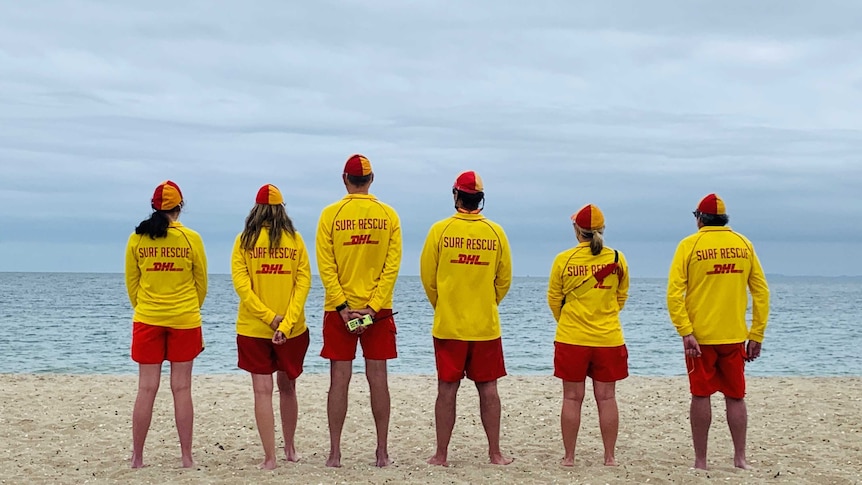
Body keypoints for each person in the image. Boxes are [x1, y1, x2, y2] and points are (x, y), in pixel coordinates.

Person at [666, 193, 770, 470]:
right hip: (735, 335)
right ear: (724, 220)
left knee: (701, 394)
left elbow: (674, 293)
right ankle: (740, 458)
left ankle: (701, 461)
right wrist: (756, 333)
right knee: (736, 395)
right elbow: (760, 291)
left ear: (700, 219)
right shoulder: (742, 244)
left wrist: (685, 330)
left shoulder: (689, 245)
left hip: (699, 336)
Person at [420, 170, 514, 466]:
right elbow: (504, 280)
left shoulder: (440, 230)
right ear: (481, 200)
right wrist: (488, 302)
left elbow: (428, 278)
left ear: (456, 195)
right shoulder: (496, 232)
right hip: (485, 324)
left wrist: (444, 304)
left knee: (447, 388)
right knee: (488, 388)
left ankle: (441, 454)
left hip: (449, 324)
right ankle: (495, 453)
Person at [315, 154, 402, 467]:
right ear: (372, 179)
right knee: (378, 378)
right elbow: (391, 267)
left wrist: (342, 307)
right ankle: (382, 451)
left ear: (344, 179)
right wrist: (373, 308)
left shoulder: (330, 215)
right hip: (378, 310)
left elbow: (327, 266)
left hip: (340, 310)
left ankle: (335, 452)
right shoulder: (388, 215)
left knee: (339, 380)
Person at [124, 180, 207, 469]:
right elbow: (202, 284)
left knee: (146, 388)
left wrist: (147, 307)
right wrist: (186, 308)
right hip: (184, 318)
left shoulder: (138, 239)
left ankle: (137, 457)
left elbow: (132, 284)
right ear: (179, 207)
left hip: (147, 318)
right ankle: (186, 457)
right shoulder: (191, 238)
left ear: (153, 207)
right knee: (181, 388)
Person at [231, 184, 312, 470]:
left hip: (254, 327)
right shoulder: (295, 240)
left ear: (256, 210)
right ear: (281, 209)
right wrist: (286, 321)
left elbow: (243, 288)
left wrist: (269, 318)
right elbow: (303, 284)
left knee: (262, 391)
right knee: (287, 388)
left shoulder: (244, 241)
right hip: (292, 328)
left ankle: (270, 457)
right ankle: (290, 448)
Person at [547, 204, 630, 467]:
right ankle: (609, 457)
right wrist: (604, 314)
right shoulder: (617, 258)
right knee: (607, 398)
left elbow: (554, 299)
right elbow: (621, 296)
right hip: (608, 338)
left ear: (577, 230)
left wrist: (569, 321)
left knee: (572, 398)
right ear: (602, 230)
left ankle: (569, 457)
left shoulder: (564, 259)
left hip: (572, 338)